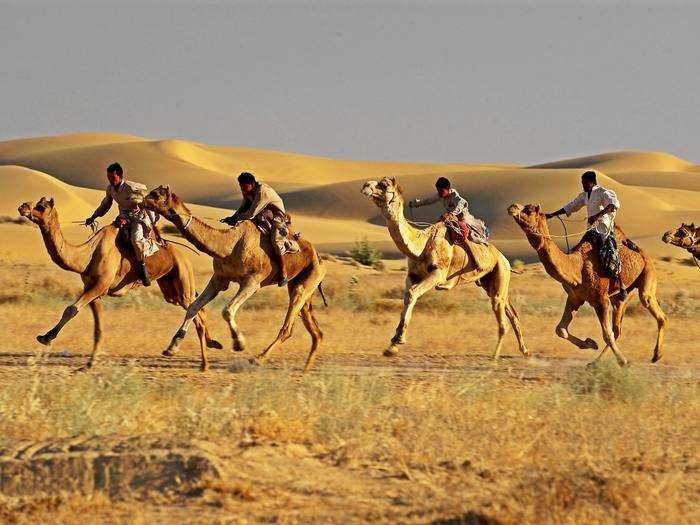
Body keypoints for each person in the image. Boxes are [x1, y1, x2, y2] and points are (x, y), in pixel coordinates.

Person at [545, 170, 626, 299]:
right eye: (582, 183)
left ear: (592, 182)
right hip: (591, 230)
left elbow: (613, 205)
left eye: (584, 183)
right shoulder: (584, 195)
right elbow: (571, 206)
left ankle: (621, 286)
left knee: (611, 253)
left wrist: (597, 216)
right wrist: (552, 215)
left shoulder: (603, 192)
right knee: (578, 250)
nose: (582, 185)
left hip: (604, 230)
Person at [221, 172, 298, 286]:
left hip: (276, 214)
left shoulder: (262, 193)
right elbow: (244, 206)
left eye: (244, 186)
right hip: (262, 213)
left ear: (251, 184)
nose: (242, 189)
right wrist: (232, 217)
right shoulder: (248, 191)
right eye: (241, 186)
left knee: (275, 240)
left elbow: (252, 212)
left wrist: (237, 218)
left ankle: (283, 272)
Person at [85, 163, 156, 286]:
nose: (110, 180)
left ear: (119, 176)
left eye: (112, 177)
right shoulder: (110, 189)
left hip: (139, 217)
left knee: (135, 239)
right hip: (123, 215)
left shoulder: (131, 188)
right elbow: (105, 204)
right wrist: (93, 216)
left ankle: (142, 268)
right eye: (108, 177)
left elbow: (146, 200)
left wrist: (152, 222)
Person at [408, 177, 490, 271]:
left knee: (463, 237)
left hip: (464, 220)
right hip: (451, 220)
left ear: (448, 189)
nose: (439, 193)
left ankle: (476, 262)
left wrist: (449, 214)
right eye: (438, 191)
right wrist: (415, 204)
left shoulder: (456, 197)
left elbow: (461, 204)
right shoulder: (440, 195)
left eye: (441, 191)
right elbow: (428, 201)